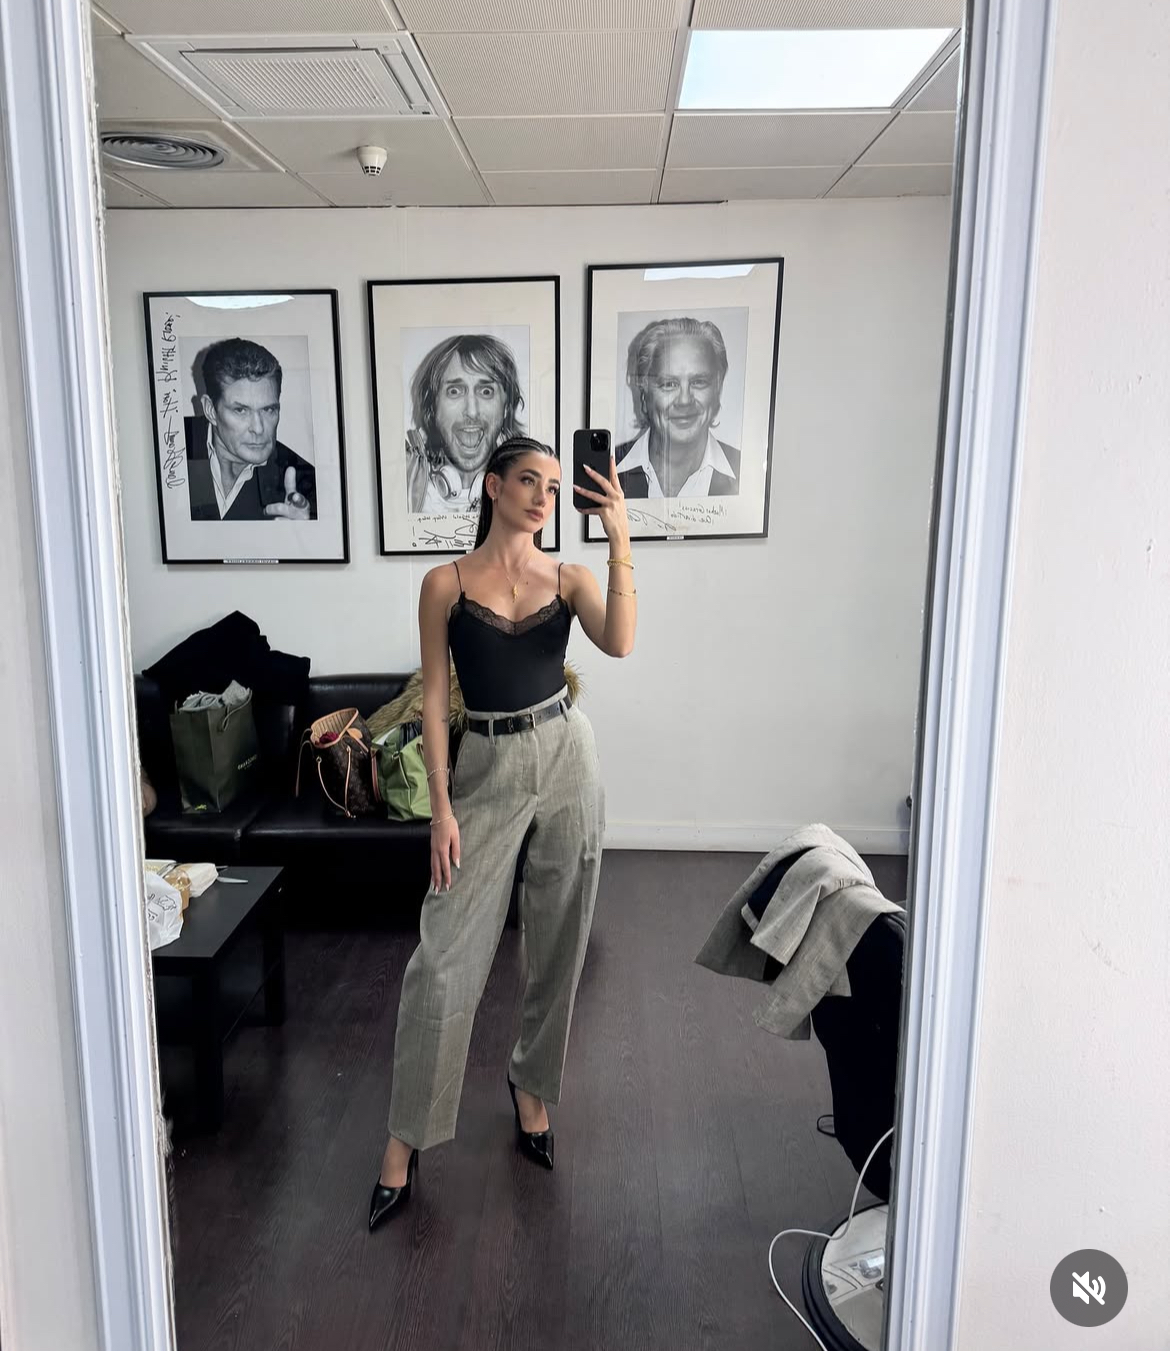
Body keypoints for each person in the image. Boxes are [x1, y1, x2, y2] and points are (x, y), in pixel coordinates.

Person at [369, 435, 636, 1229]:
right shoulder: (444, 584)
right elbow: (433, 701)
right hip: (485, 764)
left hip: (567, 753)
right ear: (492, 486)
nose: (543, 496)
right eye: (528, 480)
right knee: (442, 958)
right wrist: (441, 808)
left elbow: (620, 641)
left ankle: (531, 1085)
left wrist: (619, 536)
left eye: (552, 485)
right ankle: (404, 1137)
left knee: (561, 938)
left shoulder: (571, 577)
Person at [184, 337, 316, 522]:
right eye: (241, 410)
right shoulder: (170, 447)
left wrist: (305, 535)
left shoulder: (307, 486)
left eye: (268, 410)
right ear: (210, 410)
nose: (258, 428)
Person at [615, 316, 741, 499]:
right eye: (669, 384)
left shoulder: (745, 472)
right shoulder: (607, 471)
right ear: (644, 393)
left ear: (718, 388)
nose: (684, 400)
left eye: (698, 382)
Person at [405, 333, 526, 515]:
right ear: (432, 408)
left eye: (486, 391)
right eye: (454, 391)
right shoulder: (405, 485)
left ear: (507, 407)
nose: (471, 411)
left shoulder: (529, 487)